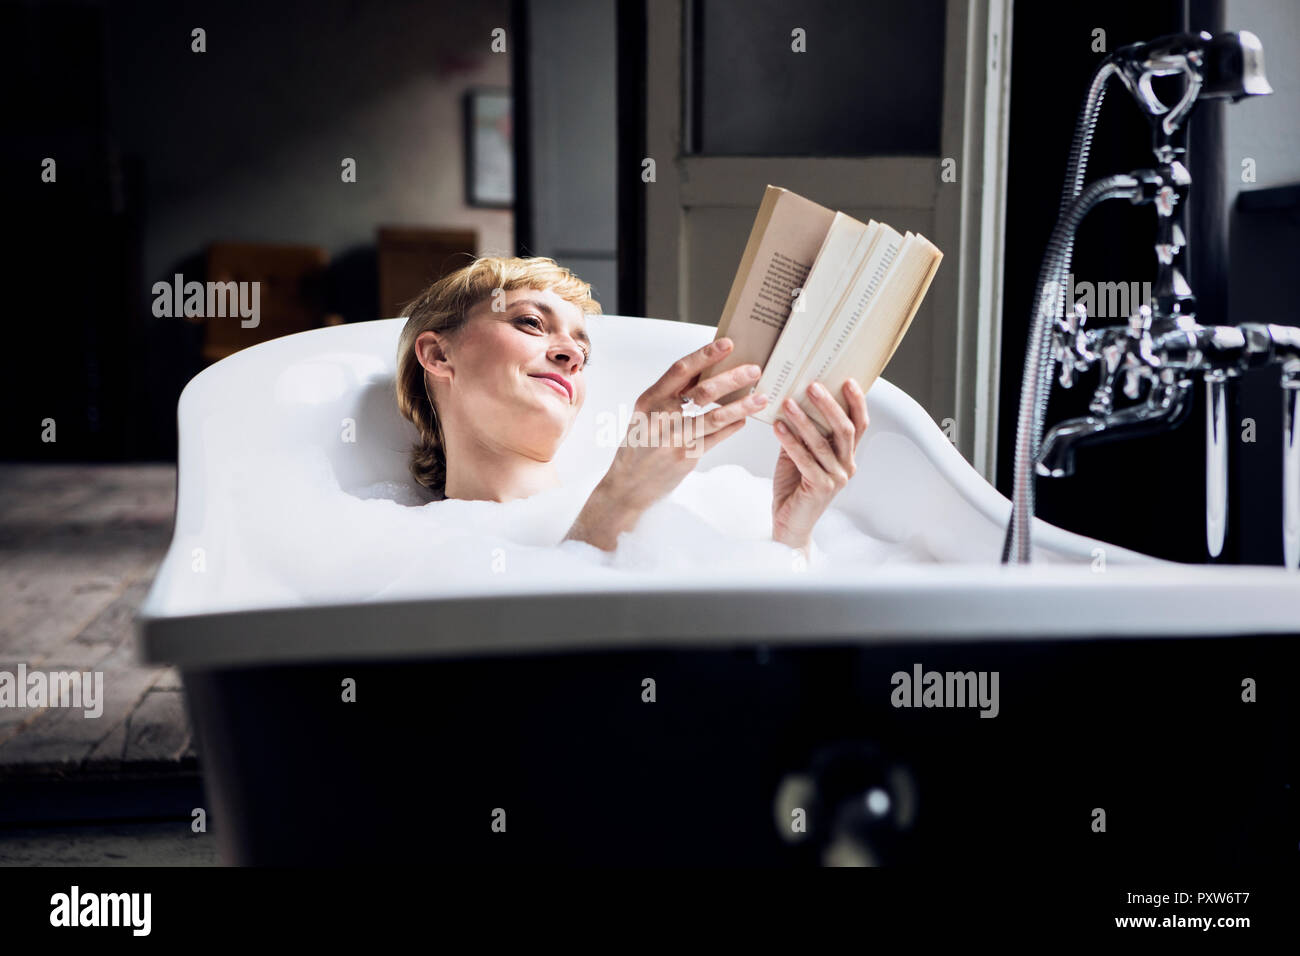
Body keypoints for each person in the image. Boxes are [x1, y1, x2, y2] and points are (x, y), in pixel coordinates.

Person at [394, 255, 869, 561]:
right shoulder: (407, 548)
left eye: (582, 349)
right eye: (532, 323)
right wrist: (618, 502)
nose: (571, 354)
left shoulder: (689, 507)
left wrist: (792, 543)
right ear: (438, 355)